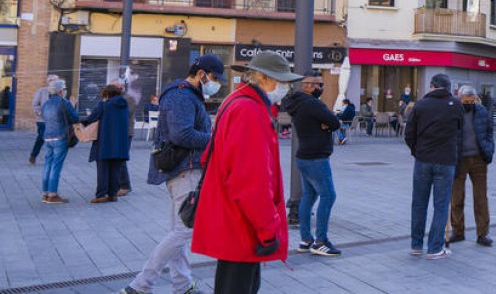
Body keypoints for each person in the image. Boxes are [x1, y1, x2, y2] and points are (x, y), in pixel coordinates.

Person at [192, 51, 300, 294]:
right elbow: (251, 180)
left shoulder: (237, 101)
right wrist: (267, 230)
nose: (285, 88)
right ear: (263, 78)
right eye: (282, 81)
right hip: (241, 223)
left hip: (233, 217)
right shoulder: (250, 110)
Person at [120, 55, 224, 294]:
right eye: (214, 78)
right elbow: (182, 135)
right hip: (184, 170)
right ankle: (140, 285)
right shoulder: (181, 95)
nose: (215, 83)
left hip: (184, 169)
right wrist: (215, 137)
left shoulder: (187, 94)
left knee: (178, 230)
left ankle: (182, 284)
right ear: (201, 74)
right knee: (184, 230)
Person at [281, 72, 344, 257]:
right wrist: (326, 123)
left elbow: (330, 123)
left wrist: (326, 122)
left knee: (309, 196)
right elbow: (334, 122)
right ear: (307, 85)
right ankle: (321, 241)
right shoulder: (311, 103)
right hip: (316, 157)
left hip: (304, 156)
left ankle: (306, 239)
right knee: (328, 195)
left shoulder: (298, 103)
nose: (321, 88)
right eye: (318, 85)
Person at [404, 73, 463, 259]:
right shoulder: (456, 106)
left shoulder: (420, 105)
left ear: (431, 86)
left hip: (423, 160)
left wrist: (417, 151)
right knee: (441, 205)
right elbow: (459, 133)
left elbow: (409, 134)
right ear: (448, 87)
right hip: (446, 161)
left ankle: (416, 245)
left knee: (419, 203)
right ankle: (435, 247)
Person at [449, 85, 495, 247]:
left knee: (481, 198)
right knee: (457, 198)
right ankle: (458, 231)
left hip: (478, 159)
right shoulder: (454, 112)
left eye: (472, 100)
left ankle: (483, 233)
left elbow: (490, 132)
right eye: (466, 101)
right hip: (459, 160)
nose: (469, 103)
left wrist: (489, 150)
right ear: (460, 99)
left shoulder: (482, 111)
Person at [80, 84, 131, 203]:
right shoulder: (124, 105)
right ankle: (113, 195)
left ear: (107, 94)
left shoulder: (104, 105)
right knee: (116, 170)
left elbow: (91, 118)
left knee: (103, 170)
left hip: (105, 143)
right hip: (120, 144)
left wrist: (79, 123)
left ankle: (101, 195)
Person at [40, 79, 78, 204]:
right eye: (64, 89)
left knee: (48, 165)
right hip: (60, 137)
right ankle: (52, 194)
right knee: (56, 166)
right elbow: (75, 118)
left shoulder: (45, 103)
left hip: (48, 137)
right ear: (61, 91)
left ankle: (45, 194)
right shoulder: (64, 102)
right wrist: (73, 105)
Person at [29, 74, 60, 165]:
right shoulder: (41, 91)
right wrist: (40, 113)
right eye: (52, 80)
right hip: (42, 120)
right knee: (42, 137)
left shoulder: (60, 92)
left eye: (56, 80)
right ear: (48, 82)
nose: (54, 82)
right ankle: (33, 155)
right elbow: (35, 104)